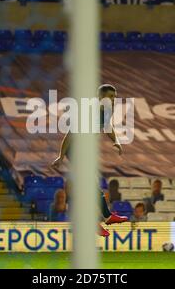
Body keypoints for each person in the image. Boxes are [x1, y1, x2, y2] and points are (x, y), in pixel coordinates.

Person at [51, 84, 128, 237]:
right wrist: (61, 155)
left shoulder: (106, 111)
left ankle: (105, 217)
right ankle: (98, 220)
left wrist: (117, 141)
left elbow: (107, 127)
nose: (114, 100)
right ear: (100, 97)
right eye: (111, 97)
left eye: (115, 97)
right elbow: (70, 134)